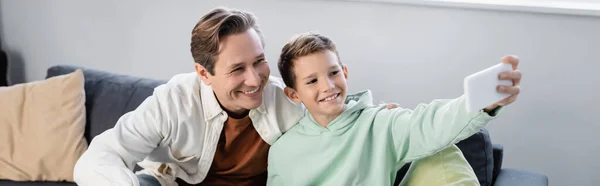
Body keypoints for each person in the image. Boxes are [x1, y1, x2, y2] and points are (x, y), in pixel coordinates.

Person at [73, 7, 398, 186]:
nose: (255, 79)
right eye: (237, 69)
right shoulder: (173, 101)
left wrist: (380, 117)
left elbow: (334, 111)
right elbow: (100, 155)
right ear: (204, 74)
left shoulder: (285, 101)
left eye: (259, 61)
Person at [267, 32, 522, 185]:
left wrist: (480, 103)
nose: (328, 86)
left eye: (333, 73)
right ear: (293, 94)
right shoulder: (283, 151)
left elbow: (430, 123)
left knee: (440, 150)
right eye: (312, 81)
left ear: (345, 73)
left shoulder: (380, 123)